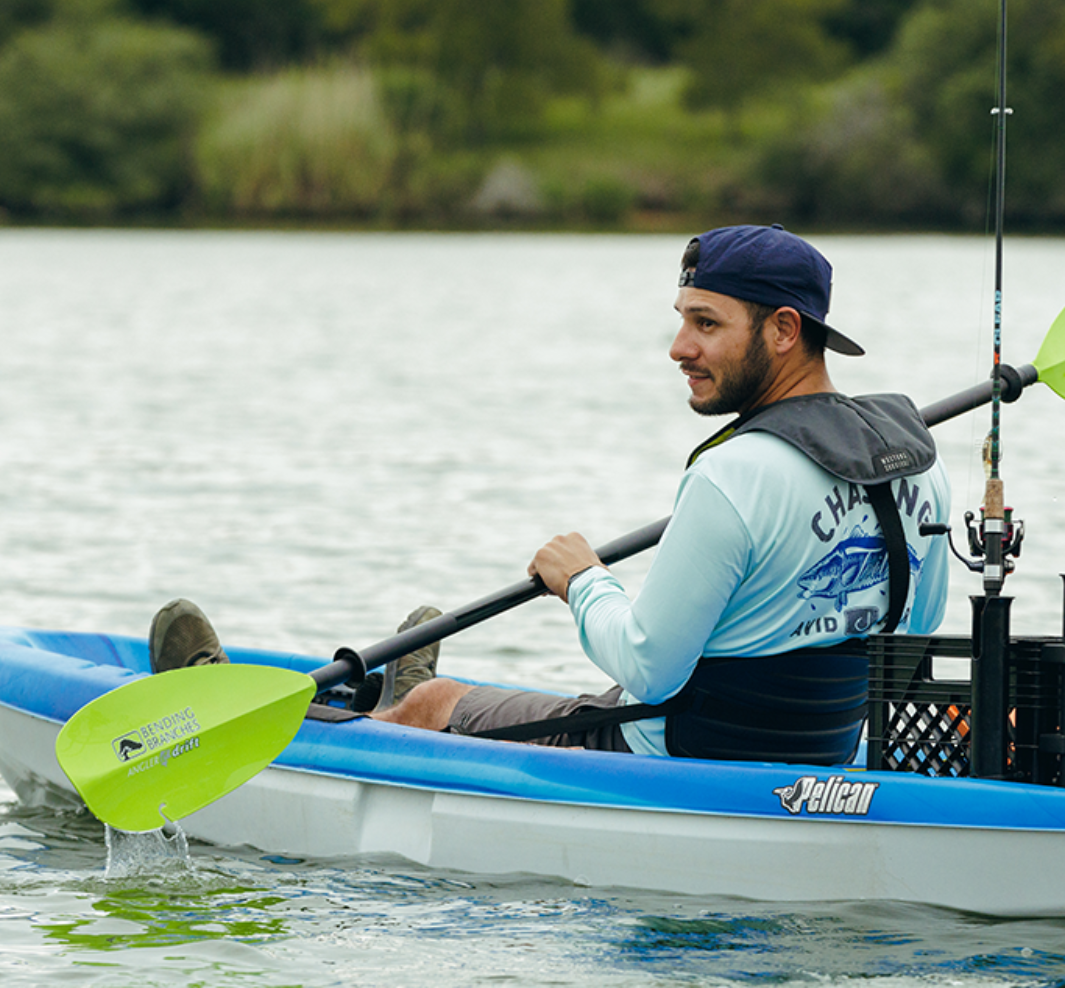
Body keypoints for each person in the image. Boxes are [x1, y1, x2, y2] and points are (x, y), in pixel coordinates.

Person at [151, 224, 951, 763]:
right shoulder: (918, 463)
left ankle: (241, 716)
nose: (678, 347)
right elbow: (908, 650)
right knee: (490, 698)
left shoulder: (734, 473)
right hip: (812, 754)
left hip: (668, 751)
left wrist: (582, 579)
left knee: (435, 704)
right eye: (681, 320)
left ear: (781, 329)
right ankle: (398, 692)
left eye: (706, 324)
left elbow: (649, 668)